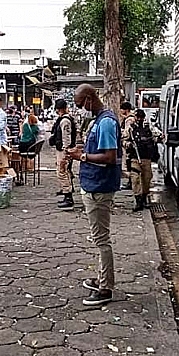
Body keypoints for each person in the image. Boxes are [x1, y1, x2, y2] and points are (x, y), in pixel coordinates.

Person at [67, 84, 122, 307]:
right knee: (99, 238)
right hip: (93, 185)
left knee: (101, 240)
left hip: (100, 187)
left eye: (81, 104)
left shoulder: (106, 122)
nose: (81, 109)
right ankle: (101, 278)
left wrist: (82, 157)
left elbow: (109, 157)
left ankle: (105, 288)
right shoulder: (98, 120)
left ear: (90, 98)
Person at [124, 109, 163, 211]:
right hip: (135, 158)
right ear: (135, 117)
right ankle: (138, 200)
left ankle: (145, 198)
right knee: (135, 179)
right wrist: (129, 144)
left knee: (146, 179)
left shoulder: (148, 128)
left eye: (142, 117)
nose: (140, 119)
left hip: (146, 158)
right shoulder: (131, 129)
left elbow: (158, 136)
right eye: (138, 117)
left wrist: (159, 138)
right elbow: (123, 140)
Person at [52, 99, 77, 210]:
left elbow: (66, 137)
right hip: (63, 149)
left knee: (62, 171)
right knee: (65, 171)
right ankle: (67, 192)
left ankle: (68, 196)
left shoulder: (65, 121)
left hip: (64, 150)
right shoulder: (65, 119)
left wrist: (66, 150)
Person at [119, 101, 136, 189]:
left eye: (122, 109)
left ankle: (131, 182)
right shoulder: (131, 117)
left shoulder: (129, 119)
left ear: (126, 110)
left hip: (129, 144)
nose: (121, 111)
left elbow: (127, 133)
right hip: (130, 144)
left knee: (129, 163)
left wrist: (120, 134)